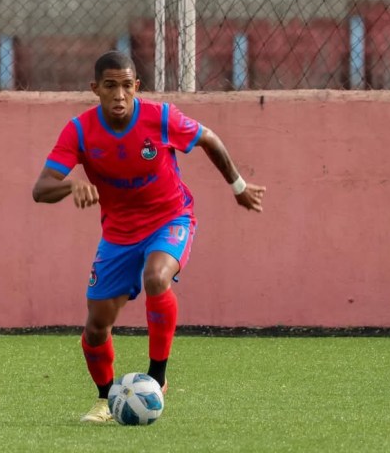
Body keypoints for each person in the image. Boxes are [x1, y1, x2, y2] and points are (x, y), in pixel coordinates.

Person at [32, 51, 266, 423]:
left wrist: (238, 187)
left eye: (127, 86)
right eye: (110, 86)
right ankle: (106, 399)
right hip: (119, 234)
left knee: (156, 277)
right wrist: (70, 187)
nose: (120, 95)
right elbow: (40, 188)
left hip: (171, 218)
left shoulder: (160, 118)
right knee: (96, 327)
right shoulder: (79, 131)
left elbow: (210, 140)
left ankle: (157, 377)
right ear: (96, 89)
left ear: (136, 87)